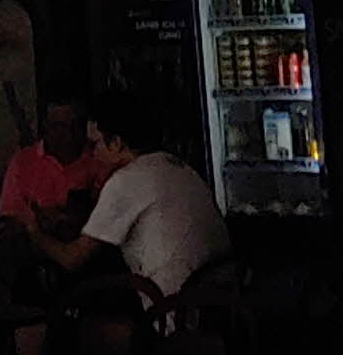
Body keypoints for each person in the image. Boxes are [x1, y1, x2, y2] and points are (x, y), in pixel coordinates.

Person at [30, 91, 231, 306]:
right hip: (220, 303)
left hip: (173, 309)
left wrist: (33, 230)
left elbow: (73, 259)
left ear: (116, 143)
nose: (92, 154)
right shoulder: (174, 165)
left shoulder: (125, 180)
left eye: (95, 144)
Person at [0, 94, 98, 245]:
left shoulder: (99, 157)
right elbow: (6, 226)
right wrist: (38, 221)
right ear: (46, 126)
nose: (69, 135)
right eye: (60, 127)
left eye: (76, 126)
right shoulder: (23, 162)